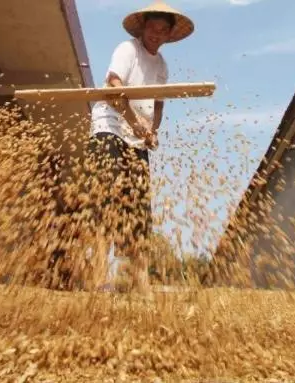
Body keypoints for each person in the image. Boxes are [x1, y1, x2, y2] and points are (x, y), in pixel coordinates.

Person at [84, 1, 195, 292]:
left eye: (162, 30)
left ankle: (140, 283)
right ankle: (98, 280)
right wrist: (133, 121)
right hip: (110, 129)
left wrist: (152, 132)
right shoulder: (127, 50)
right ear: (143, 28)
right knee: (104, 203)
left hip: (135, 138)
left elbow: (158, 105)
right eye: (152, 28)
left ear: (169, 34)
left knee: (139, 211)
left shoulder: (161, 66)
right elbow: (112, 87)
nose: (156, 34)